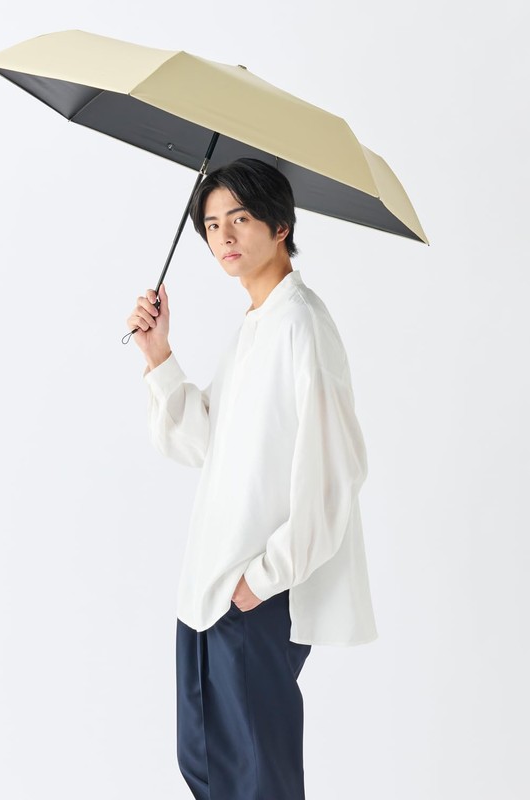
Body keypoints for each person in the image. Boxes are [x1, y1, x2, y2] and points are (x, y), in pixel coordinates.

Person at [126, 158, 377, 800]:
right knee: (208, 766)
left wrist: (261, 580)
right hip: (209, 588)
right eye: (212, 225)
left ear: (281, 225)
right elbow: (208, 444)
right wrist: (158, 355)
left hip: (253, 593)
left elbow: (336, 472)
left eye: (239, 218)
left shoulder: (302, 326)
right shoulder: (255, 325)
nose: (224, 237)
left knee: (259, 778)